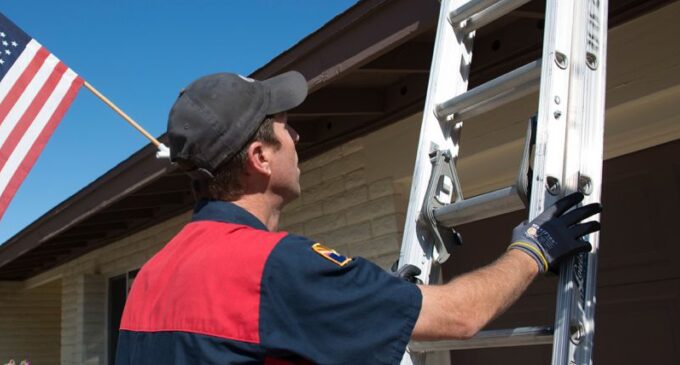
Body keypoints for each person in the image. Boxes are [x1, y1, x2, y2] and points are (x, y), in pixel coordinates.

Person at [114, 71, 602, 364]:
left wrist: (367, 305)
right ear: (260, 158)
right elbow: (459, 316)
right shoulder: (277, 268)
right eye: (286, 128)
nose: (298, 139)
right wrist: (532, 248)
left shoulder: (149, 277)